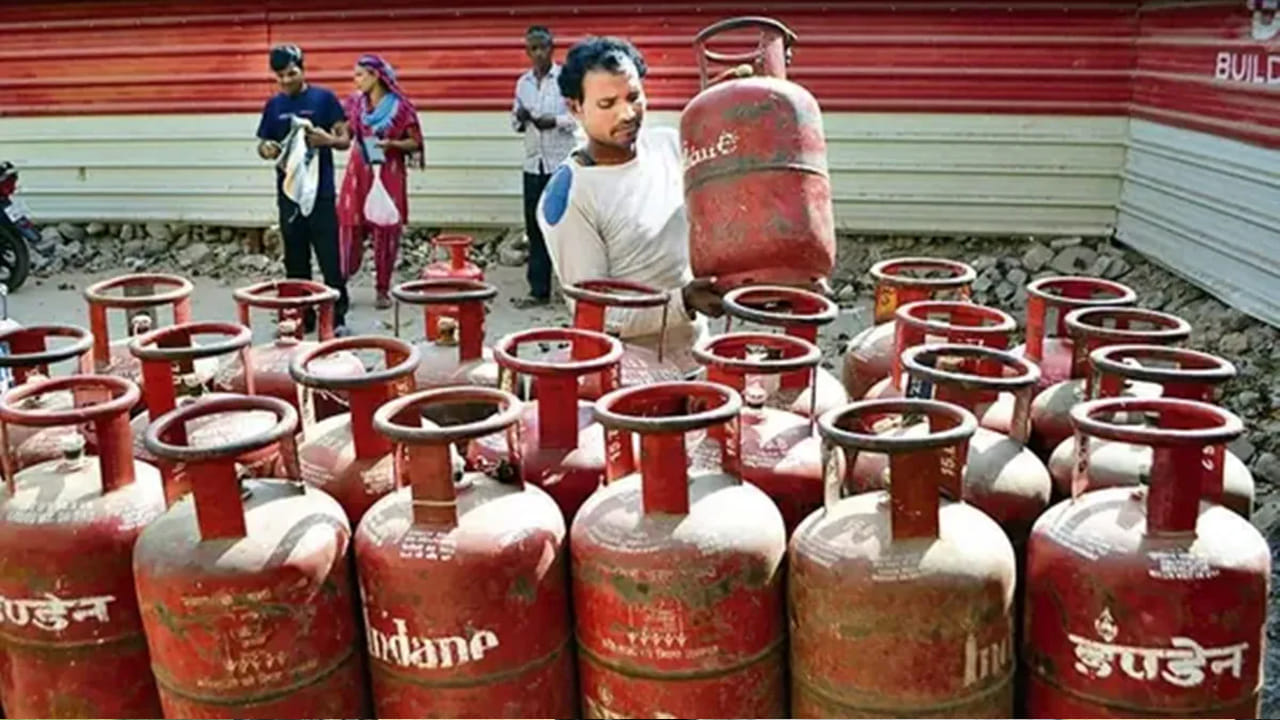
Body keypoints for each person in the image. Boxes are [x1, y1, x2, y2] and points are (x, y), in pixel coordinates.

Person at [537, 36, 722, 373]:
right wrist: (683, 301)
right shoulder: (570, 194)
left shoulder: (670, 147)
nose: (627, 114)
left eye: (634, 97)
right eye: (607, 104)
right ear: (575, 108)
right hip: (628, 373)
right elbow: (595, 312)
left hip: (699, 354)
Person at [255, 44, 351, 335]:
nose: (286, 81)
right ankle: (301, 317)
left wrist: (327, 141)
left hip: (320, 193)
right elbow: (262, 144)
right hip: (289, 195)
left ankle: (336, 319)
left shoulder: (324, 99)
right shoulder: (274, 106)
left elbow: (345, 139)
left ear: (303, 69)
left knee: (329, 258)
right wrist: (267, 149)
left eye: (291, 73)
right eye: (280, 76)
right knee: (295, 260)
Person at [337, 54, 425, 309]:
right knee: (348, 225)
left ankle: (382, 289)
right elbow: (345, 133)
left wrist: (392, 144)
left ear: (376, 76)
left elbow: (415, 142)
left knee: (385, 228)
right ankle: (340, 284)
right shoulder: (355, 103)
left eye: (359, 75)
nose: (356, 81)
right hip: (359, 171)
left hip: (388, 171)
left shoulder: (401, 107)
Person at [511, 25, 577, 309]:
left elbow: (579, 117)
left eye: (543, 47)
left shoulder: (566, 80)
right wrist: (520, 117)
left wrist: (555, 121)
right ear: (527, 52)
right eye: (533, 48)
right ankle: (538, 291)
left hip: (561, 165)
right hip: (533, 164)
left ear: (553, 48)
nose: (538, 53)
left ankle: (572, 289)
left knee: (565, 227)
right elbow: (514, 123)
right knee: (535, 227)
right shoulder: (523, 83)